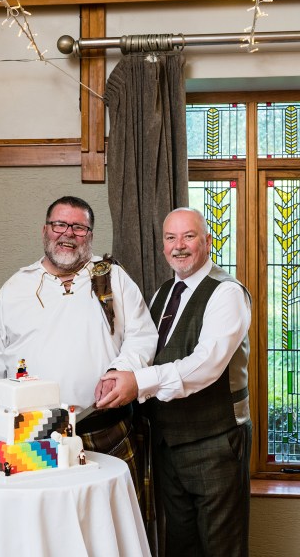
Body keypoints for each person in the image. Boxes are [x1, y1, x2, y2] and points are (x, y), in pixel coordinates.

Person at [0, 196, 158, 528]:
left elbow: (141, 336)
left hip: (104, 429)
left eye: (79, 227)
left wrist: (120, 370)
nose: (68, 234)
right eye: (59, 225)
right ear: (45, 230)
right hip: (30, 438)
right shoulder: (15, 288)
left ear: (90, 235)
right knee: (44, 530)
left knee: (110, 530)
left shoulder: (113, 278)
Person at [96, 207, 252, 557]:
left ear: (208, 241)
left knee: (221, 548)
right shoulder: (164, 292)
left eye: (188, 236)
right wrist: (117, 372)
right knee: (180, 546)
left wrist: (137, 383)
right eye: (171, 238)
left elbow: (204, 366)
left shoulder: (227, 293)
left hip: (216, 442)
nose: (179, 246)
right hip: (169, 443)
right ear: (163, 246)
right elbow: (147, 348)